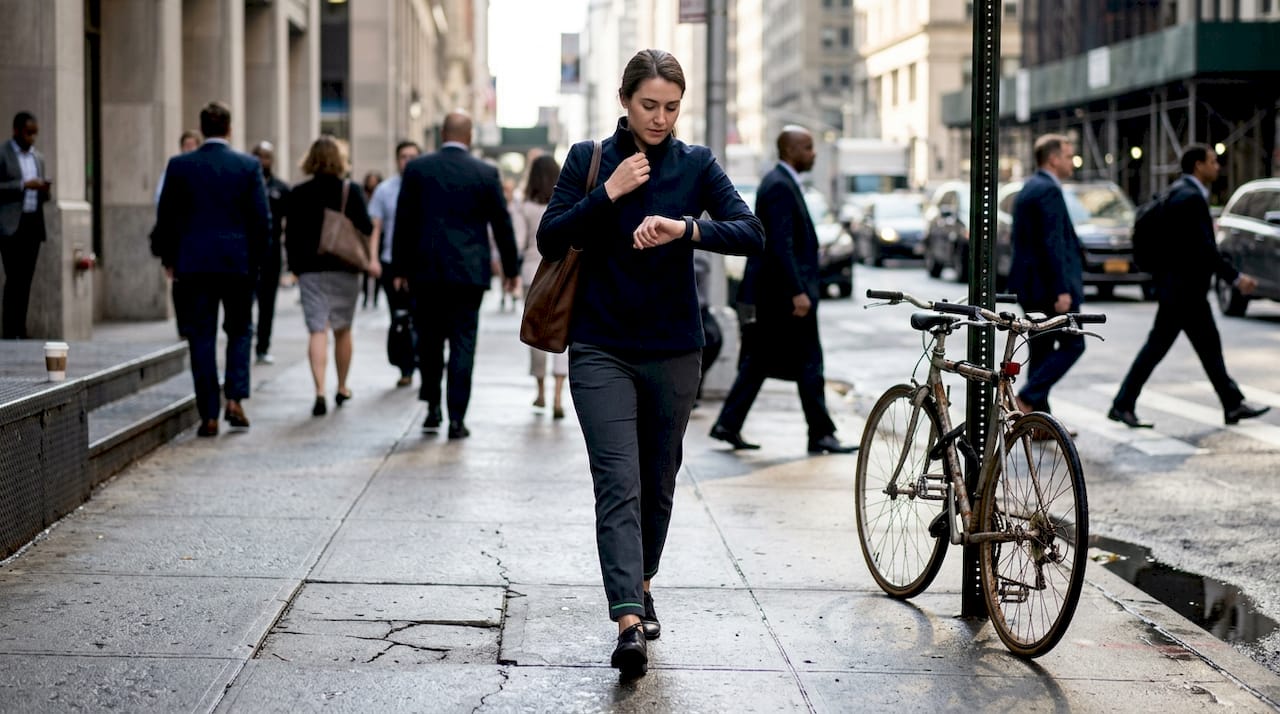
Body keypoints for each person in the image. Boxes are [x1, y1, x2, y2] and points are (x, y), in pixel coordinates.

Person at [536, 49, 764, 677]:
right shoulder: (589, 159)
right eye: (648, 105)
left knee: (658, 483)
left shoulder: (697, 164)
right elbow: (550, 236)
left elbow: (751, 233)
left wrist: (685, 228)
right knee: (618, 481)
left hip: (673, 349)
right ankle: (628, 621)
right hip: (599, 347)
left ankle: (641, 581)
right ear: (624, 101)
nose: (660, 118)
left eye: (671, 107)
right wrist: (608, 193)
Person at [710, 127, 857, 455]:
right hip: (785, 297)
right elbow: (780, 244)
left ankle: (728, 424)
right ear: (790, 151)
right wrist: (797, 291)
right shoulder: (779, 185)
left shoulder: (781, 182)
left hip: (776, 296)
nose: (813, 153)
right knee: (809, 364)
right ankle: (821, 434)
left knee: (760, 361)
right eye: (807, 147)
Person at [1109, 145, 1270, 428]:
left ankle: (1231, 403)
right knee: (1165, 348)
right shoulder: (1190, 197)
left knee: (1204, 348)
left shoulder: (1177, 192)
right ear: (1198, 165)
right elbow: (1204, 248)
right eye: (1213, 161)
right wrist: (1235, 278)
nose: (1218, 166)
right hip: (1184, 292)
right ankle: (1123, 404)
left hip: (1180, 289)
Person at [391, 111, 520, 440]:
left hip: (426, 273)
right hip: (468, 274)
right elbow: (501, 224)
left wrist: (400, 268)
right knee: (464, 344)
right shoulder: (484, 172)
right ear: (470, 136)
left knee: (430, 342)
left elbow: (404, 221)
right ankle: (457, 420)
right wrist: (511, 270)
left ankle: (433, 407)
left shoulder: (418, 169)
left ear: (442, 134)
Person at [152, 102, 270, 436]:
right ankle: (235, 399)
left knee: (201, 337)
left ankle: (209, 415)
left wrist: (169, 259)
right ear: (229, 129)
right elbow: (261, 220)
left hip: (195, 265)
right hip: (237, 264)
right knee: (240, 331)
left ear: (202, 129)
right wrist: (257, 262)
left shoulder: (180, 165)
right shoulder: (247, 166)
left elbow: (166, 218)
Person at [284, 136, 375, 417]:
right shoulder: (351, 190)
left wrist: (295, 268)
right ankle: (342, 386)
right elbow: (367, 227)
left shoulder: (299, 192)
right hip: (345, 268)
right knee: (343, 329)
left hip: (310, 270)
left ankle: (320, 391)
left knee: (317, 329)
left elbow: (291, 235)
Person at [1007, 134, 1084, 428]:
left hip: (1032, 286)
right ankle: (1026, 399)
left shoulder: (1031, 187)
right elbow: (1053, 244)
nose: (1072, 162)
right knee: (1074, 344)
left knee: (1041, 351)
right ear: (1053, 159)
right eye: (1068, 156)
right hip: (1048, 288)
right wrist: (1061, 289)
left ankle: (1038, 423)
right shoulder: (1047, 190)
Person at [512, 154, 567, 418]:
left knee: (537, 332)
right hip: (562, 274)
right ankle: (558, 397)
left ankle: (541, 392)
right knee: (561, 330)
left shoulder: (525, 207)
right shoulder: (566, 203)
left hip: (532, 274)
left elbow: (519, 241)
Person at [368, 140, 421, 387]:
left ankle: (421, 357)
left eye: (412, 156)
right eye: (403, 156)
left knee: (422, 316)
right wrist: (373, 259)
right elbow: (375, 228)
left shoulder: (427, 185)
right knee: (399, 316)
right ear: (396, 160)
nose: (408, 161)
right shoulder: (385, 190)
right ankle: (405, 367)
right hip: (392, 262)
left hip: (422, 264)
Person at [1, 111, 52, 340]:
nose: (32, 138)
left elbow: (44, 195)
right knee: (13, 277)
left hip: (33, 223)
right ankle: (9, 330)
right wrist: (23, 185)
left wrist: (44, 189)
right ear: (17, 131)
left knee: (26, 279)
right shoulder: (3, 153)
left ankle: (21, 329)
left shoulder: (37, 158)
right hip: (11, 225)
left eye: (35, 133)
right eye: (28, 132)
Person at [250, 140, 291, 365]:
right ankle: (246, 337)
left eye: (266, 156)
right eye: (259, 156)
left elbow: (290, 222)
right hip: (248, 252)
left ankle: (263, 346)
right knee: (246, 300)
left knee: (267, 303)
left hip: (271, 252)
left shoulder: (281, 188)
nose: (262, 161)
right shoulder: (245, 184)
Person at [154, 129, 202, 205]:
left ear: (198, 147)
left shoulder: (203, 170)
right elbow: (159, 196)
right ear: (182, 148)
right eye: (187, 146)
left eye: (192, 146)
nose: (190, 149)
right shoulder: (173, 169)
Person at [360, 171, 384, 310]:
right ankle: (365, 297)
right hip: (366, 236)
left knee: (377, 270)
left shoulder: (381, 194)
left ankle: (374, 298)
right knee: (366, 269)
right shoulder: (363, 195)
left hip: (379, 236)